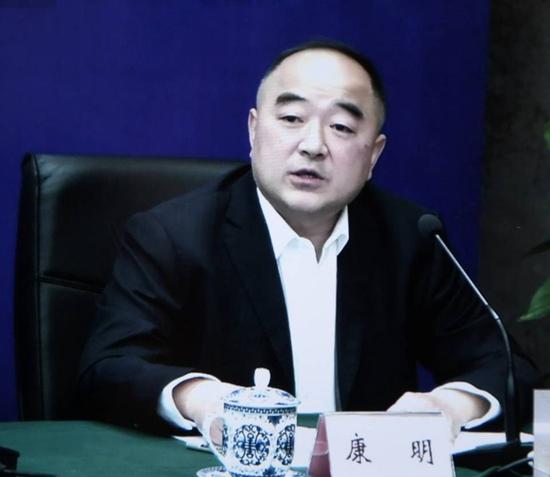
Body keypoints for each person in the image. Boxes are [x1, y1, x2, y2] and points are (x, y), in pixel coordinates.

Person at [78, 40, 538, 438]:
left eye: (341, 127)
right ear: (253, 130)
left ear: (374, 154)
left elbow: (506, 366)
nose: (313, 145)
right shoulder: (174, 235)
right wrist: (202, 400)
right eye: (292, 118)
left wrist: (450, 407)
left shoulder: (410, 237)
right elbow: (108, 367)